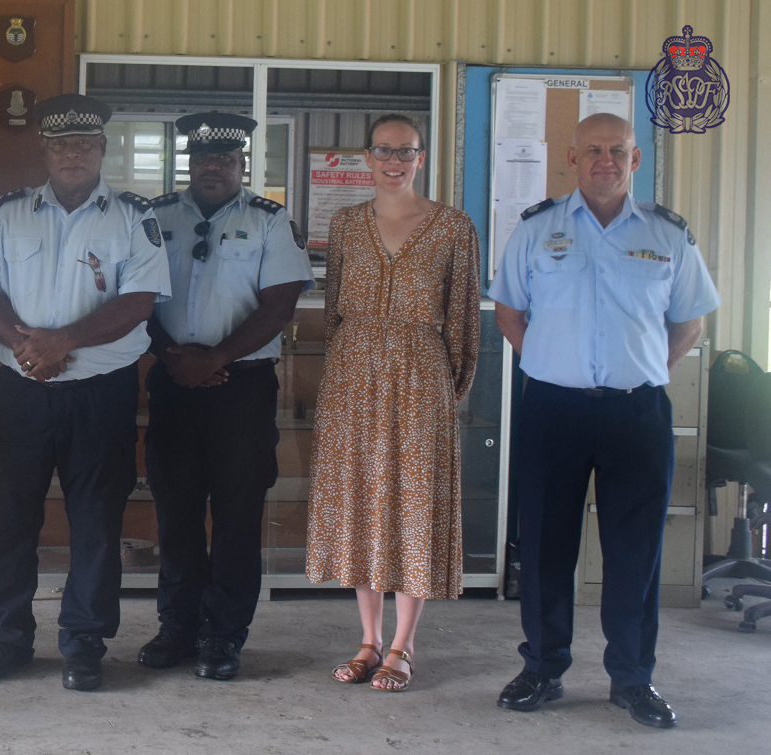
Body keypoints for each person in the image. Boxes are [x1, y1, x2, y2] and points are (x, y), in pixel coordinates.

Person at [489, 113, 717, 728]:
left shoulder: (668, 234)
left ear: (635, 159)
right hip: (552, 408)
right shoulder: (538, 229)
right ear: (572, 157)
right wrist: (550, 362)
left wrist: (644, 370)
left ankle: (633, 679)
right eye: (593, 149)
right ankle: (542, 666)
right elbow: (509, 311)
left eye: (617, 150)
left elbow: (691, 320)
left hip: (636, 410)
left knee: (635, 551)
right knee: (543, 545)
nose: (605, 160)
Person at [0, 93, 170, 692]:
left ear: (102, 150)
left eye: (84, 144)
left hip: (100, 390)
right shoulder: (10, 215)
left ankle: (84, 643)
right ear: (45, 151)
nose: (72, 153)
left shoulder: (134, 217)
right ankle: (8, 636)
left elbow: (140, 301)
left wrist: (64, 342)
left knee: (96, 520)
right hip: (20, 389)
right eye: (61, 144)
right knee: (8, 517)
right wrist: (28, 349)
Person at [303, 113, 481, 692]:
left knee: (411, 502)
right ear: (367, 157)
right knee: (359, 501)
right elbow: (332, 312)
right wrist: (342, 376)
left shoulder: (454, 228)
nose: (394, 161)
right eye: (383, 150)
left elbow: (462, 322)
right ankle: (367, 640)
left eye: (406, 151)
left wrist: (445, 392)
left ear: (421, 158)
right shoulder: (347, 223)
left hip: (421, 376)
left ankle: (402, 645)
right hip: (352, 375)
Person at [136, 112, 311, 680]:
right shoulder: (155, 217)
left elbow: (279, 305)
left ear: (242, 165)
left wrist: (215, 359)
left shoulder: (269, 221)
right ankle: (178, 626)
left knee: (237, 513)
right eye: (204, 158)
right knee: (176, 509)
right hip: (172, 381)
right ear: (189, 161)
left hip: (242, 388)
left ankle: (224, 633)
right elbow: (134, 296)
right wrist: (171, 356)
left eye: (226, 159)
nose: (213, 167)